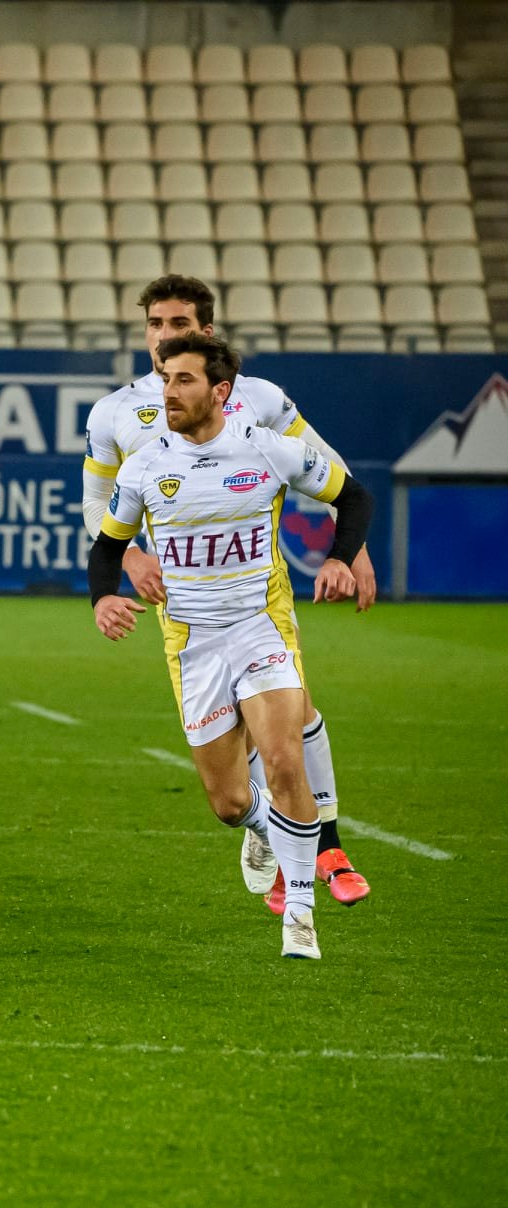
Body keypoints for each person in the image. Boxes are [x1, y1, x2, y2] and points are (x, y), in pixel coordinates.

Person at [81, 274, 371, 910]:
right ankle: (266, 824)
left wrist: (351, 550)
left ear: (204, 332)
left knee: (288, 715)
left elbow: (325, 466)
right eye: (155, 324)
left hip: (260, 590)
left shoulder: (261, 398)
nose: (164, 336)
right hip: (182, 601)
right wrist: (129, 557)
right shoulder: (113, 414)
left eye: (178, 325)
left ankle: (328, 846)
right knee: (232, 760)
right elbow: (99, 505)